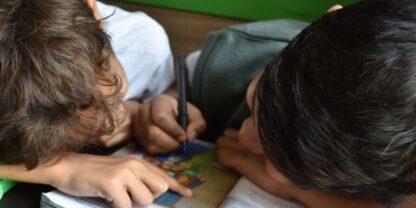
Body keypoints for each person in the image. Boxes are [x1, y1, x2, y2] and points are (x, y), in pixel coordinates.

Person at [139, 0, 416, 207]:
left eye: (283, 166)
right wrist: (169, 100)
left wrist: (300, 192)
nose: (245, 138)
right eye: (253, 101)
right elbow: (180, 81)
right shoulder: (234, 57)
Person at [0, 1, 206, 207]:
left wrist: (154, 103)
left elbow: (169, 86)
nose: (114, 122)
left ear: (92, 10)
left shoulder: (143, 46)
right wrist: (62, 169)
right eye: (79, 107)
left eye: (117, 96)